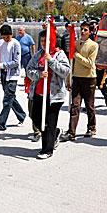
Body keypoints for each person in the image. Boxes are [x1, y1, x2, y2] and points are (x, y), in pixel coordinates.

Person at [26, 30, 70, 159]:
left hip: (54, 96)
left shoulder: (59, 54)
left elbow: (65, 71)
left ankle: (47, 149)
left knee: (49, 122)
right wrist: (39, 75)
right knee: (36, 118)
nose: (44, 43)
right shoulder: (38, 55)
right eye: (42, 40)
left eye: (47, 40)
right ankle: (55, 133)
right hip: (39, 93)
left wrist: (51, 61)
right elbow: (29, 70)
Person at [60, 21, 98, 142]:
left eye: (85, 30)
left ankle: (91, 127)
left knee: (89, 105)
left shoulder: (93, 45)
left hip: (89, 78)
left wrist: (76, 54)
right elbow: (71, 63)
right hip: (76, 77)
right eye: (81, 29)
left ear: (90, 32)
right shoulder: (75, 44)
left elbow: (89, 63)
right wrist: (68, 79)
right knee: (75, 105)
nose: (82, 31)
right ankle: (71, 132)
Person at [0, 24, 26, 133]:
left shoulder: (16, 44)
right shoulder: (0, 43)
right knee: (10, 97)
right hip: (3, 74)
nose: (6, 39)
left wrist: (1, 65)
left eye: (7, 37)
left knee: (7, 99)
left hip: (12, 75)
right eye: (4, 37)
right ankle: (21, 115)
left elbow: (16, 62)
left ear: (11, 34)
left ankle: (1, 125)